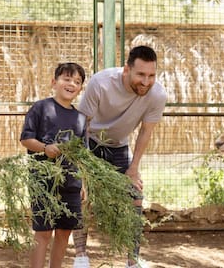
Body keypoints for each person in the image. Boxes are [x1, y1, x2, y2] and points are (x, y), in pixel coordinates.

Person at [72, 45, 167, 268]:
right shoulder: (101, 82)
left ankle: (132, 261)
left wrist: (133, 169)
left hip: (120, 146)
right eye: (141, 74)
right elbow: (81, 125)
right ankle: (81, 256)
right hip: (91, 142)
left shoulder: (157, 94)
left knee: (135, 195)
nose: (146, 81)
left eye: (151, 75)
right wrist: (83, 168)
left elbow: (146, 132)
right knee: (82, 195)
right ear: (127, 70)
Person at [20, 62, 87, 268]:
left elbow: (81, 156)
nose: (71, 84)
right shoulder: (41, 108)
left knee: (65, 231)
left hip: (71, 182)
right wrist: (44, 148)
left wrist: (83, 182)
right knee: (43, 233)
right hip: (43, 180)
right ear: (54, 82)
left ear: (80, 88)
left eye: (77, 81)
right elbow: (25, 139)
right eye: (67, 79)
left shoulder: (81, 118)